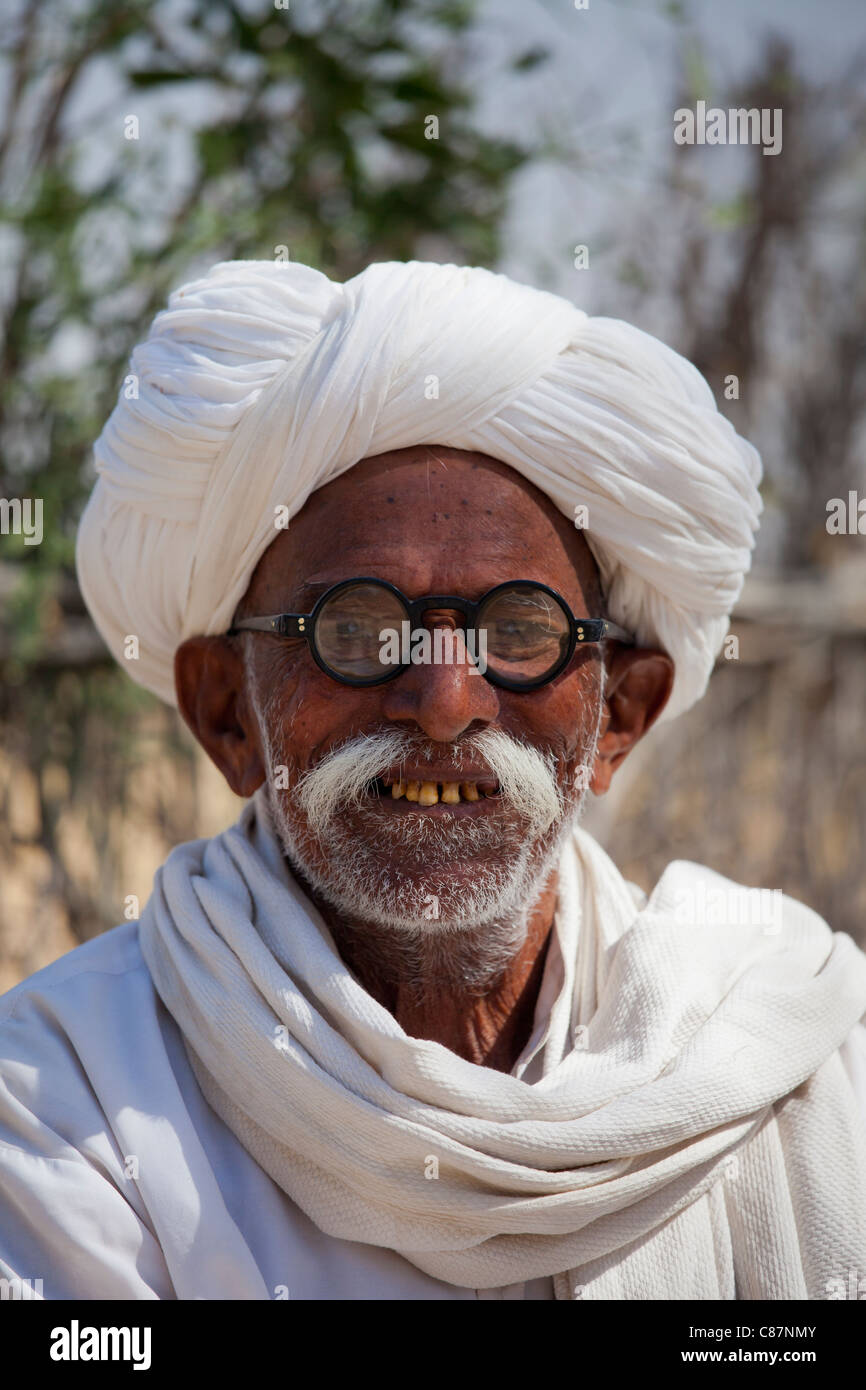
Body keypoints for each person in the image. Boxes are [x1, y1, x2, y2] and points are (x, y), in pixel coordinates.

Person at [1, 258, 865, 1301]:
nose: (445, 701)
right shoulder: (64, 1097)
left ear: (616, 717)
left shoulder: (795, 1057)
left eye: (520, 631)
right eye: (356, 628)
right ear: (226, 710)